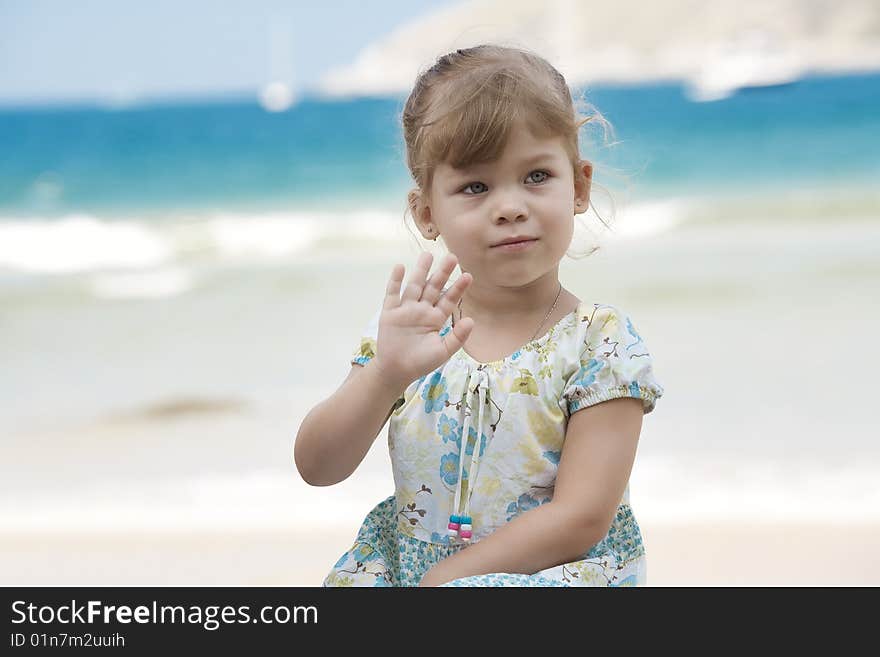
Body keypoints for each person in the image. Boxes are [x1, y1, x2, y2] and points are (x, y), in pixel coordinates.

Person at [294, 44, 665, 587]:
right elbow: (318, 468)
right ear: (427, 213)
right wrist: (385, 375)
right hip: (416, 574)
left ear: (579, 187)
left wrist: (447, 581)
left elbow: (581, 517)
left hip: (544, 574)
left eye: (536, 176)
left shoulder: (599, 343)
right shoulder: (411, 334)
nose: (510, 205)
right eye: (475, 187)